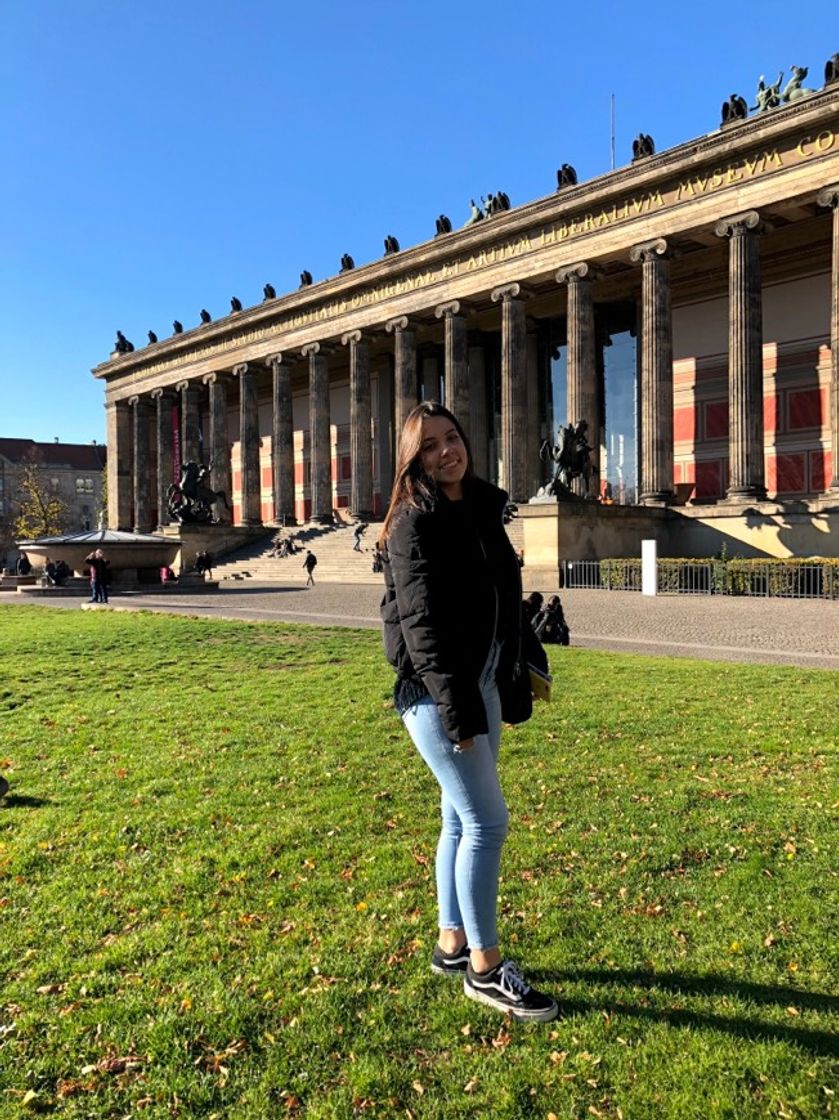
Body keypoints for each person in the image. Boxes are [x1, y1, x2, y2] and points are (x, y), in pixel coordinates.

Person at [379, 401, 557, 1022]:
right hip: (436, 692)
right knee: (488, 822)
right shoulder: (412, 523)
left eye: (452, 436)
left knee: (459, 818)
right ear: (413, 459)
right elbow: (421, 627)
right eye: (429, 444)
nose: (446, 450)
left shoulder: (480, 509)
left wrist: (518, 661)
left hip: (481, 678)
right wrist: (458, 715)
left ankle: (451, 942)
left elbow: (502, 595)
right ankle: (485, 968)